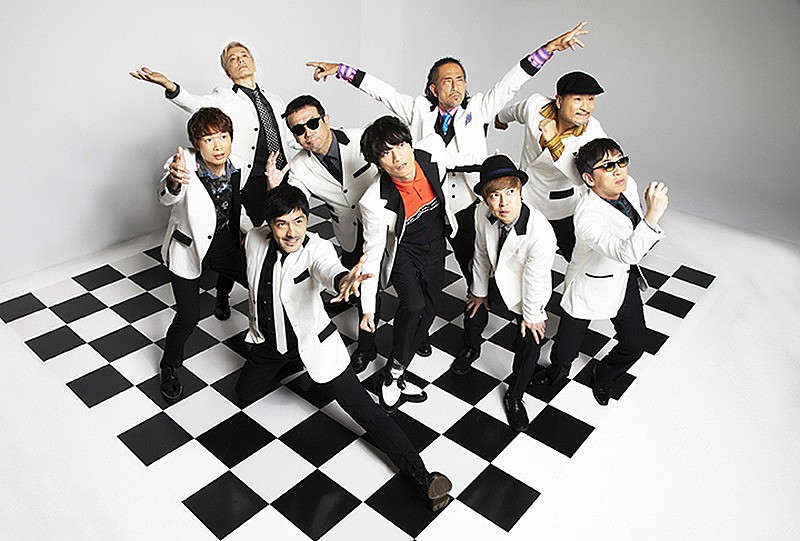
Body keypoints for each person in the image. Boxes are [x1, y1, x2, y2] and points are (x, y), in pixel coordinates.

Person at [307, 21, 589, 355]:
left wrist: (549, 49)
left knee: (480, 275)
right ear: (433, 88)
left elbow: (512, 81)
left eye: (460, 79)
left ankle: (481, 338)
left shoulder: (479, 108)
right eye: (447, 81)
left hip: (469, 206)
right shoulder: (417, 110)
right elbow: (380, 90)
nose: (455, 86)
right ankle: (421, 332)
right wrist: (341, 70)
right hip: (431, 209)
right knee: (427, 279)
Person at [238, 184, 452, 512]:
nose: (292, 232)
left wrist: (343, 280)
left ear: (307, 219)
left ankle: (423, 476)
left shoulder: (317, 248)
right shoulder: (254, 239)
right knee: (244, 394)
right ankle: (291, 362)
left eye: (299, 221)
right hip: (270, 343)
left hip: (315, 344)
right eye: (282, 224)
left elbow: (329, 270)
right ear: (270, 225)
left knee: (365, 411)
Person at [131, 41, 291, 320]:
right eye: (233, 59)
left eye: (244, 56)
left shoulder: (275, 101)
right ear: (227, 71)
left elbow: (287, 138)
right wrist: (169, 85)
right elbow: (195, 104)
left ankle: (279, 286)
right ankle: (223, 295)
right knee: (242, 237)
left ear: (254, 62)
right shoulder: (223, 98)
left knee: (279, 234)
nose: (240, 60)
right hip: (248, 182)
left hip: (278, 177)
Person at [532, 138, 669, 406]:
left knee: (635, 345)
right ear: (589, 179)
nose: (619, 170)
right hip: (589, 285)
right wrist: (652, 217)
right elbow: (626, 252)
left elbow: (630, 240)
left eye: (621, 161)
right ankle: (555, 375)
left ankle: (604, 375)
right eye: (607, 166)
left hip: (623, 279)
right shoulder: (586, 216)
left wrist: (646, 221)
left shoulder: (628, 185)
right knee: (563, 352)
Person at [269, 95, 381, 372]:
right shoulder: (299, 165)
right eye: (299, 129)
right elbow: (294, 204)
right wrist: (276, 187)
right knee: (356, 279)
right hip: (348, 232)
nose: (308, 133)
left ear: (326, 119)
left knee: (382, 282)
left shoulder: (361, 139)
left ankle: (388, 340)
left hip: (381, 227)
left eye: (312, 123)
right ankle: (359, 325)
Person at [451, 155, 556, 431]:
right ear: (486, 199)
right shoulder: (480, 213)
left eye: (510, 192)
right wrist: (479, 291)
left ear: (520, 192)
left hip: (526, 291)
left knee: (532, 340)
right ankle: (471, 349)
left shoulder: (541, 232)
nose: (503, 202)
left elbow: (534, 279)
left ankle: (515, 396)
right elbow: (480, 254)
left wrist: (531, 315)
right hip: (496, 276)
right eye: (495, 195)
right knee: (473, 308)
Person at [358, 116, 456, 412]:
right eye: (385, 153)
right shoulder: (373, 201)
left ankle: (398, 369)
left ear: (410, 144)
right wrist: (368, 308)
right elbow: (372, 254)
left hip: (436, 244)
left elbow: (458, 156)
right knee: (413, 306)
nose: (397, 157)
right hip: (404, 251)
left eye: (400, 145)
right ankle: (392, 376)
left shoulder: (432, 152)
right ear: (377, 163)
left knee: (429, 311)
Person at [157, 108, 252, 401]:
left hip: (224, 243)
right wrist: (174, 181)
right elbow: (166, 196)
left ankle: (225, 300)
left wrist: (253, 233)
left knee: (259, 283)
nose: (218, 145)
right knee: (188, 316)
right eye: (209, 139)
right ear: (196, 143)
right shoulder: (183, 165)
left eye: (223, 137)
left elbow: (236, 206)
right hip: (188, 248)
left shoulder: (237, 164)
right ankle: (169, 366)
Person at [495, 71, 607, 261]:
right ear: (559, 101)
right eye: (578, 99)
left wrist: (554, 141)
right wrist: (500, 119)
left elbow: (581, 177)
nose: (586, 107)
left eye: (591, 99)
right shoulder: (535, 105)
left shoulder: (593, 133)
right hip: (524, 201)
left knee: (579, 260)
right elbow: (514, 111)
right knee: (514, 258)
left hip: (562, 207)